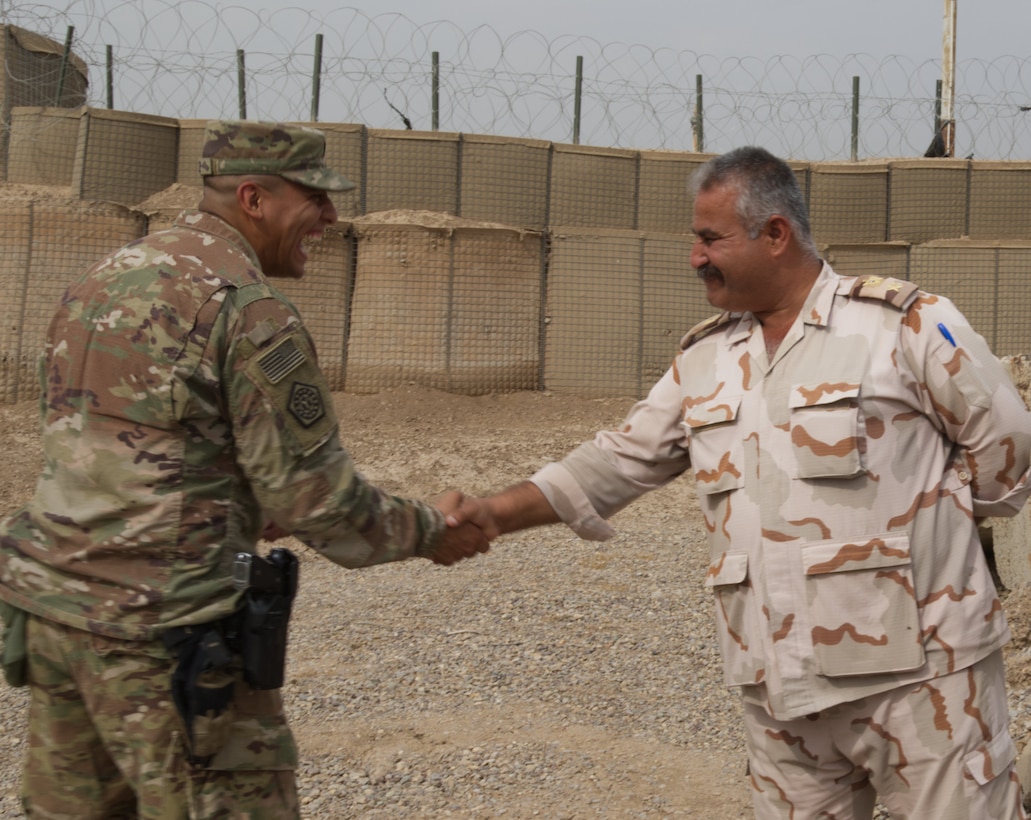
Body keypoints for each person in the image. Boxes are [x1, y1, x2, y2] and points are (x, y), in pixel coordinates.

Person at [448, 146, 1031, 818]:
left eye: (707, 239)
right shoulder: (707, 357)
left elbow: (1008, 446)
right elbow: (616, 461)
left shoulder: (902, 326)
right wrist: (493, 513)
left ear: (775, 234)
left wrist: (938, 533)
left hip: (922, 682)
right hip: (782, 693)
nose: (694, 256)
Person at [0, 119, 489, 819]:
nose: (330, 216)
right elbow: (321, 503)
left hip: (52, 615)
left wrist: (238, 502)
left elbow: (116, 448)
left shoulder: (104, 278)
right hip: (163, 638)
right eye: (314, 197)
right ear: (255, 199)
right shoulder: (248, 310)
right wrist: (433, 529)